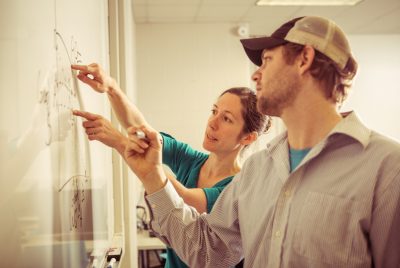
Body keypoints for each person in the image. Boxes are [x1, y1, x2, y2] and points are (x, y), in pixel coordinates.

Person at [120, 16, 400, 267]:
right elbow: (209, 252)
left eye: (267, 60)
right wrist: (151, 176)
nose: (255, 74)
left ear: (304, 59)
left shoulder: (388, 168)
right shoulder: (257, 170)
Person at [71, 64, 270, 268]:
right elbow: (141, 130)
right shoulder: (191, 160)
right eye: (214, 111)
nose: (212, 122)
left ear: (248, 137)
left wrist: (120, 142)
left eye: (226, 119)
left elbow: (178, 199)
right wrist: (111, 87)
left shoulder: (237, 187)